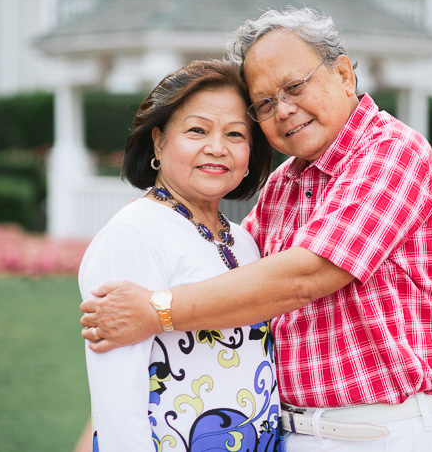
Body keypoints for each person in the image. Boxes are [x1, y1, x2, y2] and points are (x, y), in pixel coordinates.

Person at [80, 7, 432, 451]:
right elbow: (224, 288)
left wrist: (156, 311)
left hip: (391, 432)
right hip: (290, 435)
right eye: (265, 103)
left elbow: (305, 276)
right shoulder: (282, 189)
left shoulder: (392, 154)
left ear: (344, 73)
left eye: (294, 87)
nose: (283, 110)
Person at [77, 59, 283, 451]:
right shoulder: (133, 235)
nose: (217, 148)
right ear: (158, 140)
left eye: (236, 134)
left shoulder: (245, 242)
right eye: (197, 130)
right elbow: (118, 403)